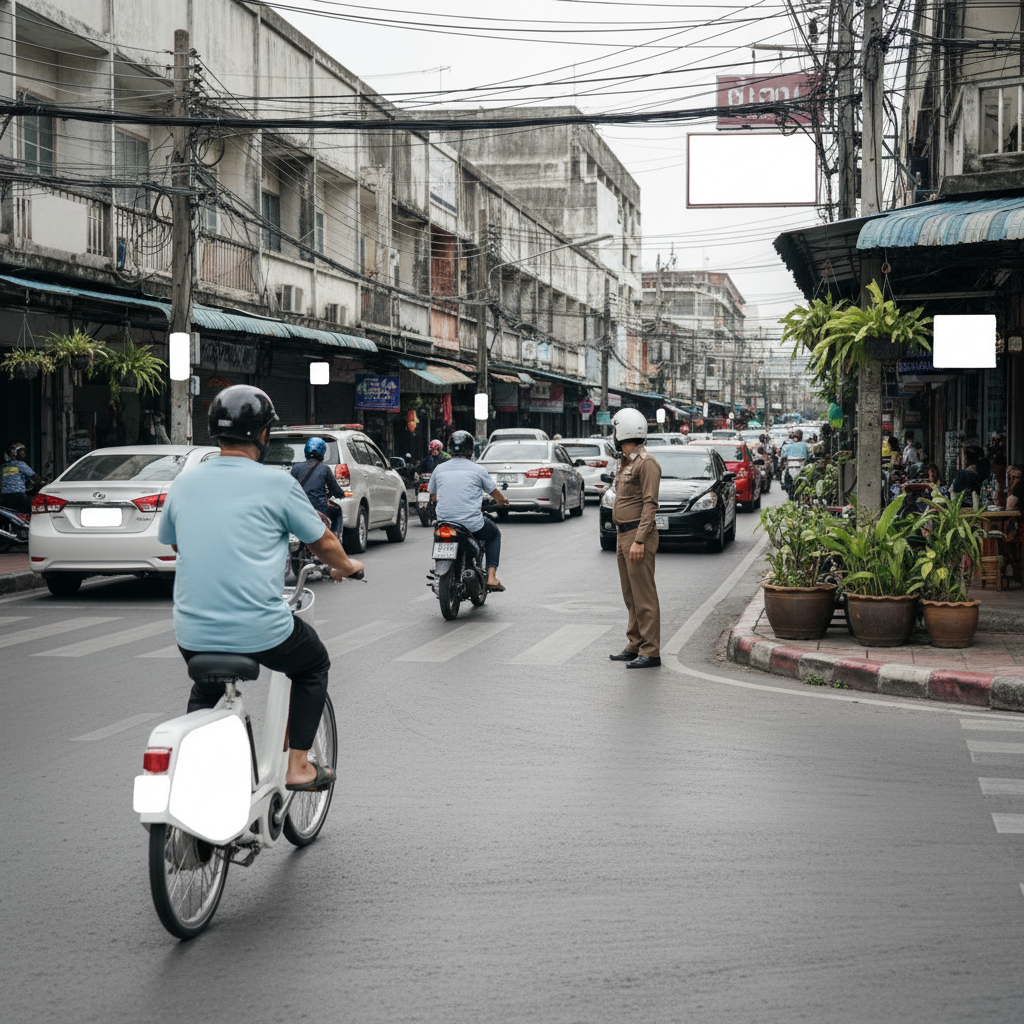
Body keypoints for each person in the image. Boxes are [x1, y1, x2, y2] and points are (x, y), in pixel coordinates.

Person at [158, 385, 364, 792]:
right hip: (259, 630)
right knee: (312, 665)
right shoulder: (277, 484)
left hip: (191, 632)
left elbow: (177, 541)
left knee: (207, 686)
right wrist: (348, 565)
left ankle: (196, 773)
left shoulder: (184, 483)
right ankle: (300, 767)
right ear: (263, 435)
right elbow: (322, 541)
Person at [607, 407, 662, 669]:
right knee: (630, 595)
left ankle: (650, 651)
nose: (612, 435)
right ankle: (635, 643)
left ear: (623, 431)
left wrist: (640, 540)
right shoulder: (626, 462)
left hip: (636, 536)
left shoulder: (646, 463)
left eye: (615, 430)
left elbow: (650, 504)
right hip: (622, 535)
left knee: (644, 595)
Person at [428, 429, 509, 591]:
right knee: (494, 535)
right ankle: (491, 577)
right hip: (471, 524)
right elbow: (496, 494)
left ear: (450, 450)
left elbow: (433, 496)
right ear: (471, 451)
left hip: (444, 523)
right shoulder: (478, 470)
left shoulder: (439, 469)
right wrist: (503, 501)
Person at [291, 436, 345, 533]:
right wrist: (341, 494)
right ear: (323, 452)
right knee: (338, 511)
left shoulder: (296, 468)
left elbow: (290, 488)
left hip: (299, 506)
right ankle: (335, 538)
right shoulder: (325, 469)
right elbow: (335, 489)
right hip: (319, 507)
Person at [1, 441, 40, 513]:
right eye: (22, 451)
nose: (24, 453)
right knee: (36, 508)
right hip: (18, 496)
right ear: (15, 452)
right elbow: (36, 478)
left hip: (4, 497)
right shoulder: (21, 464)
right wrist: (36, 487)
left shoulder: (3, 466)